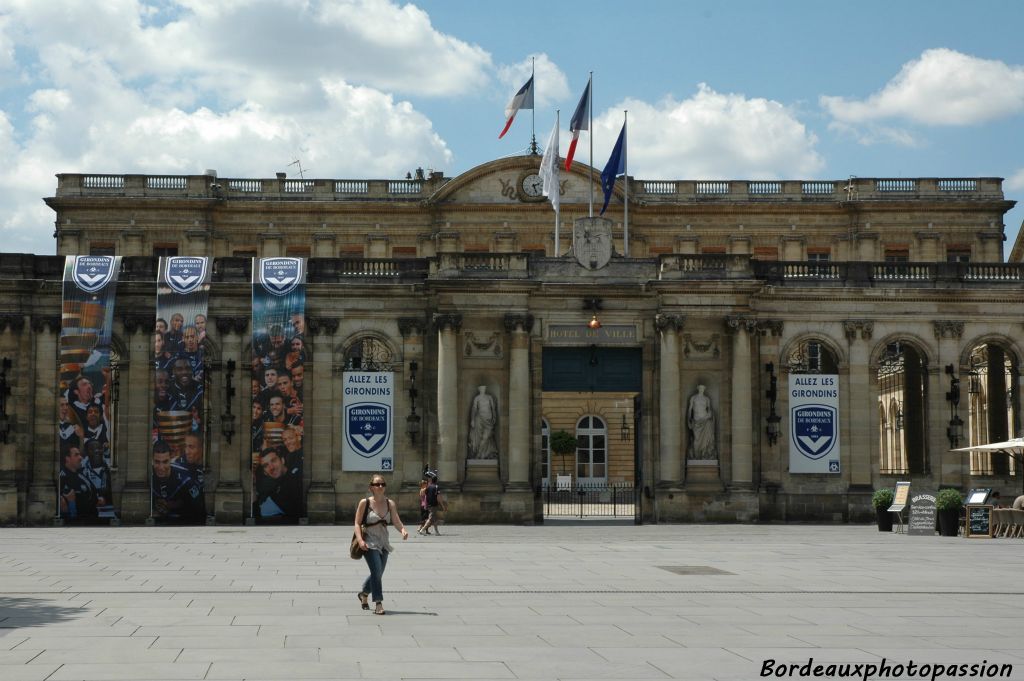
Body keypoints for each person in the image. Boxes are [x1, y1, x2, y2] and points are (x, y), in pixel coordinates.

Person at [354, 475, 408, 615]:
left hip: (384, 543)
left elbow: (396, 521)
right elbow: (357, 523)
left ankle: (364, 594)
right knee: (376, 572)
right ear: (371, 487)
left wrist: (402, 530)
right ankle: (378, 603)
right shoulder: (364, 502)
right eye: (377, 484)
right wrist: (360, 540)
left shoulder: (390, 503)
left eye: (382, 484)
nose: (380, 487)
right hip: (369, 542)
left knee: (378, 573)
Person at [151, 440, 204, 522]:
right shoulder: (146, 476)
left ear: (171, 458)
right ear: (152, 460)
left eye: (165, 462)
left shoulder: (186, 478)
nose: (161, 467)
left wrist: (176, 506)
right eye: (157, 462)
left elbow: (199, 507)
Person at [254, 446, 302, 520]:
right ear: (265, 472)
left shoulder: (294, 479)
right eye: (266, 465)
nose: (271, 467)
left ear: (282, 460)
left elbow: (261, 511)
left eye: (273, 461)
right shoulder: (277, 484)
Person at [59, 446, 97, 521]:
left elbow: (93, 492)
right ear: (67, 458)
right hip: (75, 522)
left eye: (80, 455)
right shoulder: (62, 476)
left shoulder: (81, 475)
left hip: (91, 519)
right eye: (76, 455)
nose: (80, 458)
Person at [468, 385, 498, 459]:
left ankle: (482, 454)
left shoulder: (489, 397)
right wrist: (472, 419)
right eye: (481, 388)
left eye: (484, 388)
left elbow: (493, 408)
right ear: (479, 389)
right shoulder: (477, 398)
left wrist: (494, 417)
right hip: (479, 418)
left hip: (488, 419)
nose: (483, 389)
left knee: (486, 437)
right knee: (478, 436)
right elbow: (474, 409)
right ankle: (478, 454)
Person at [687, 384, 717, 460]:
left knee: (708, 435)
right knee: (696, 439)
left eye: (703, 388)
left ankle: (705, 453)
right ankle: (696, 455)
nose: (701, 389)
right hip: (696, 420)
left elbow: (709, 410)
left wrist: (711, 415)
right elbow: (690, 409)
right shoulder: (693, 398)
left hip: (705, 419)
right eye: (700, 388)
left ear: (704, 389)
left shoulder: (707, 399)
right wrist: (689, 420)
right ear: (698, 389)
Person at [420, 471, 447, 536]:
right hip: (434, 504)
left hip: (429, 504)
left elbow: (423, 494)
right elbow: (439, 497)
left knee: (434, 519)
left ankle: (436, 532)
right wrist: (443, 506)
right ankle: (422, 530)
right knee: (431, 518)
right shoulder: (436, 487)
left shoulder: (428, 487)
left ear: (431, 480)